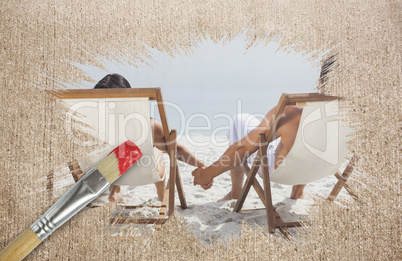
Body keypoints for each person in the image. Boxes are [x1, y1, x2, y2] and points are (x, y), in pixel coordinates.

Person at [192, 56, 337, 201]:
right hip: (320, 170)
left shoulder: (294, 110)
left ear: (320, 83)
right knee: (307, 143)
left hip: (280, 171)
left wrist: (207, 174)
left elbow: (243, 149)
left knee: (239, 120)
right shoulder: (356, 118)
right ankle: (298, 193)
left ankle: (236, 193)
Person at [94, 73, 206, 203]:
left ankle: (115, 190)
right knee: (155, 151)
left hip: (102, 174)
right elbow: (177, 151)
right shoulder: (149, 126)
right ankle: (161, 194)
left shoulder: (89, 126)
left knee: (116, 151)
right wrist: (203, 166)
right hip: (144, 174)